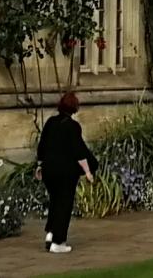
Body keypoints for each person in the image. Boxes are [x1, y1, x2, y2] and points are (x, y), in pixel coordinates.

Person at [36, 91, 95, 255]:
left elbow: (42, 146)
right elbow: (79, 152)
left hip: (49, 170)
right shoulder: (73, 126)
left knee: (55, 200)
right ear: (75, 108)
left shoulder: (50, 122)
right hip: (65, 172)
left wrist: (39, 166)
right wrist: (88, 172)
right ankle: (58, 241)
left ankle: (50, 233)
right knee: (64, 204)